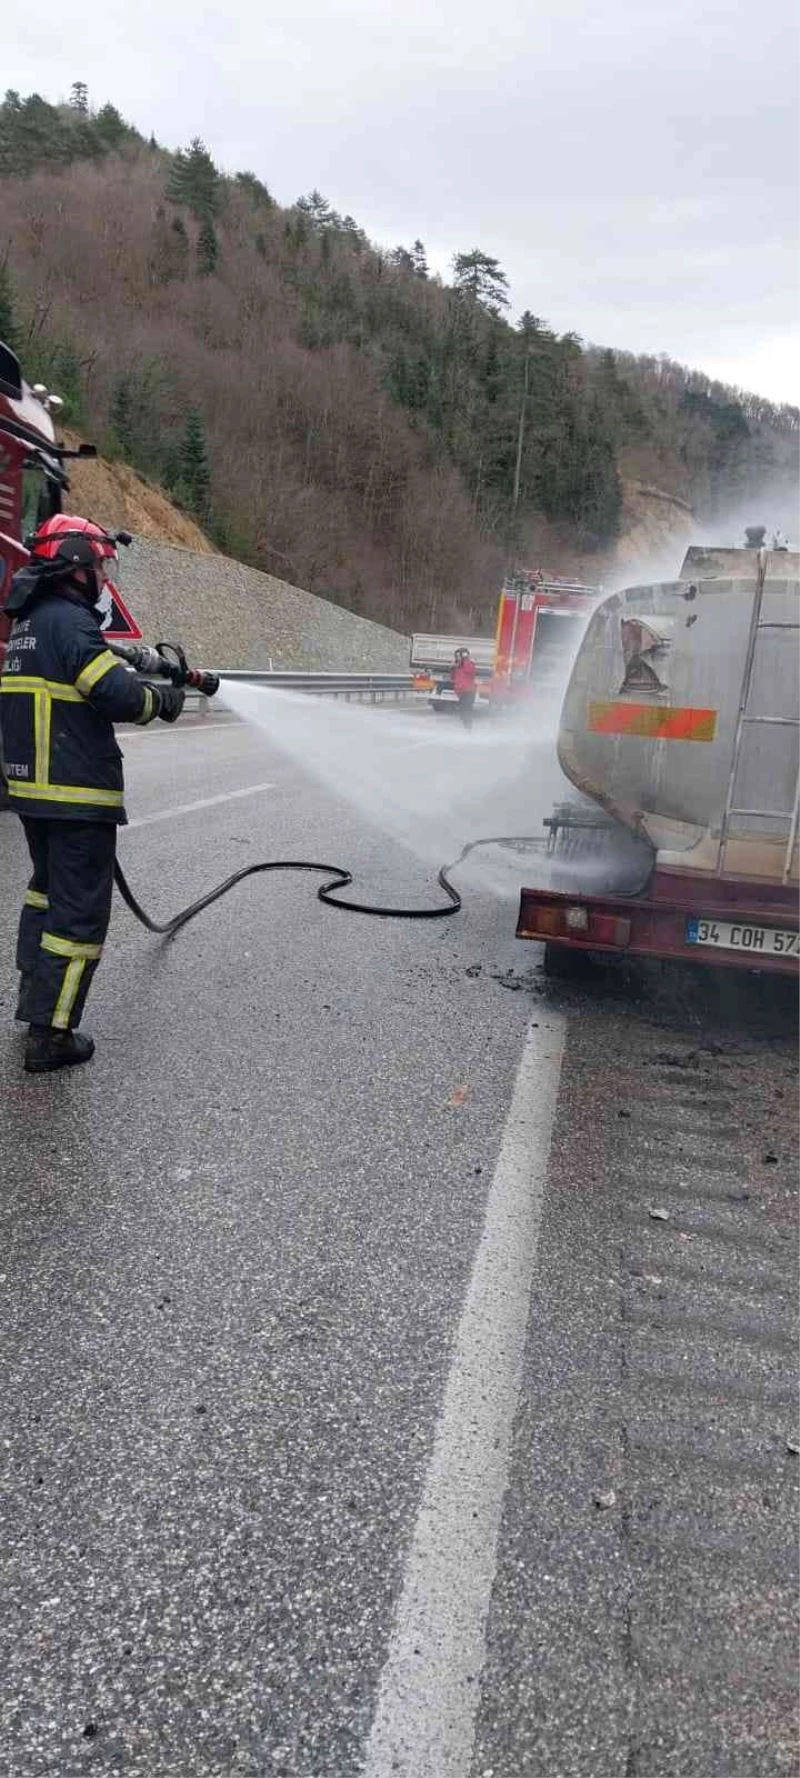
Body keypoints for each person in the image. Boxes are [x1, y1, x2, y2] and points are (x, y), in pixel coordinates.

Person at [0, 514, 185, 1073]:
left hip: (35, 794)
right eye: (102, 565)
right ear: (78, 565)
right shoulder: (71, 624)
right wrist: (164, 700)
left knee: (47, 894)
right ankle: (50, 1035)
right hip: (74, 793)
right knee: (78, 918)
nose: (106, 577)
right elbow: (117, 695)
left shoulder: (30, 624)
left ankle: (35, 997)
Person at [452, 647, 478, 728]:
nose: (457, 658)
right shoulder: (457, 667)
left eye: (458, 656)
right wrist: (453, 667)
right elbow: (453, 677)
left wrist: (465, 659)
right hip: (461, 692)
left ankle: (468, 729)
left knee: (466, 710)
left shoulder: (469, 664)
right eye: (456, 656)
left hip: (469, 691)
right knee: (463, 711)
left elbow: (470, 671)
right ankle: (466, 727)